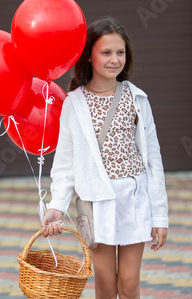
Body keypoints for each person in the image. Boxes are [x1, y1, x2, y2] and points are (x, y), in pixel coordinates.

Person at [40, 16, 169, 299]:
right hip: (95, 204)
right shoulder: (74, 103)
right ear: (89, 56)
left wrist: (160, 216)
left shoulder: (137, 98)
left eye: (120, 52)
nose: (114, 59)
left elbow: (153, 160)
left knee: (129, 285)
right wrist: (57, 206)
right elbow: (64, 161)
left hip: (133, 199)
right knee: (107, 286)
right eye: (106, 52)